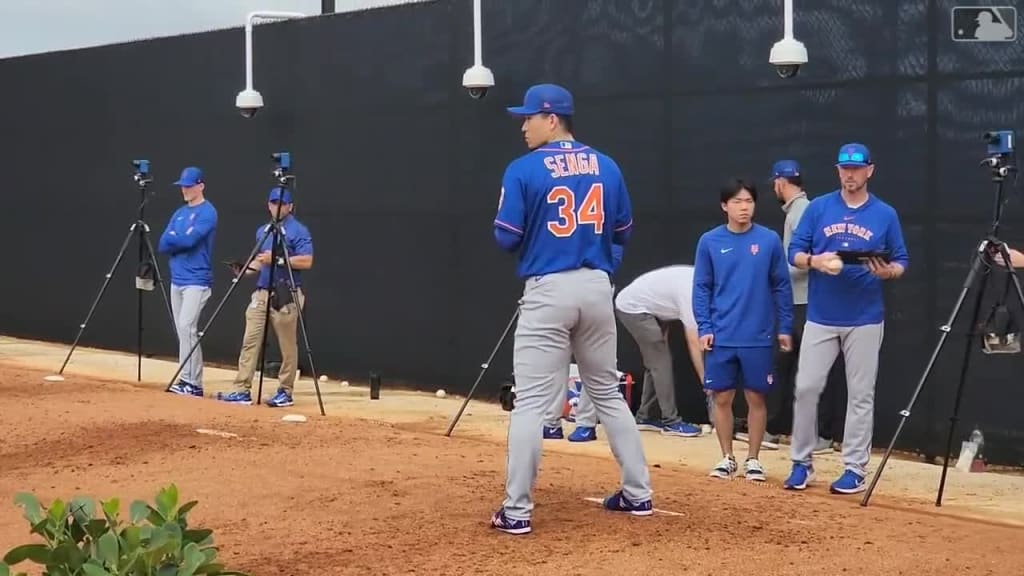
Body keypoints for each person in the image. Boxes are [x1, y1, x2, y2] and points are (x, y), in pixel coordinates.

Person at [490, 83, 653, 535]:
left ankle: (517, 510)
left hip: (549, 289)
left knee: (530, 404)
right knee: (605, 392)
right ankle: (639, 494)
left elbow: (506, 237)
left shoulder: (523, 169)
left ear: (552, 118)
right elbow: (622, 232)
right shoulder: (607, 165)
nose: (523, 125)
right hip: (597, 286)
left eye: (528, 117)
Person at [784, 143, 909, 494]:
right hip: (822, 314)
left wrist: (889, 273)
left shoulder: (885, 214)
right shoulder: (819, 208)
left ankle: (854, 468)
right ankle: (801, 463)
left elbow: (901, 260)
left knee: (861, 394)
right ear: (837, 170)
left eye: (856, 169)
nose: (849, 174)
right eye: (844, 168)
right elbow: (794, 253)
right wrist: (816, 261)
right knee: (807, 387)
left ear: (870, 170)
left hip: (865, 316)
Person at [693, 178, 793, 482]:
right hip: (722, 335)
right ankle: (726, 457)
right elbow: (702, 288)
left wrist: (784, 326)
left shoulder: (769, 241)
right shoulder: (709, 242)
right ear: (725, 206)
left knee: (756, 398)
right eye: (737, 202)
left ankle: (753, 460)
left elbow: (781, 286)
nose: (743, 208)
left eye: (748, 201)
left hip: (758, 335)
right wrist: (705, 326)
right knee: (721, 397)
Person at [565, 265, 705, 442]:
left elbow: (666, 307)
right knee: (661, 362)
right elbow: (693, 341)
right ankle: (671, 421)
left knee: (655, 362)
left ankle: (645, 416)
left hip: (652, 307)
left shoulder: (698, 280)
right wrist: (705, 380)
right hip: (633, 307)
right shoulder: (690, 290)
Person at [762, 159, 836, 454]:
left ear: (779, 183)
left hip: (806, 304)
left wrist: (776, 272)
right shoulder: (796, 211)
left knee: (811, 369)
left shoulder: (801, 211)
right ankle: (775, 427)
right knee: (786, 365)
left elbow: (808, 261)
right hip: (796, 303)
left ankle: (823, 435)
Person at [216, 187, 314, 408]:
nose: (276, 207)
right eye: (273, 203)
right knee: (250, 340)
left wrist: (277, 259)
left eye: (281, 203)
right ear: (268, 204)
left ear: (290, 206)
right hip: (262, 292)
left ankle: (285, 391)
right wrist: (244, 269)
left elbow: (306, 261)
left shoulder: (298, 230)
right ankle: (242, 389)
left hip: (286, 293)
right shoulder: (264, 231)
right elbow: (261, 261)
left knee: (287, 346)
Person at [160, 166, 218, 398]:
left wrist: (178, 238)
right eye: (183, 186)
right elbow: (163, 243)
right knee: (182, 330)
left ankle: (194, 382)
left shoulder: (208, 212)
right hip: (177, 278)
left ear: (200, 186)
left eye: (189, 186)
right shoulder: (179, 213)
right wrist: (177, 239)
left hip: (197, 279)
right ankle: (186, 379)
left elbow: (190, 240)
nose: (184, 190)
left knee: (187, 327)